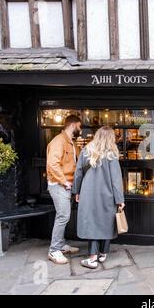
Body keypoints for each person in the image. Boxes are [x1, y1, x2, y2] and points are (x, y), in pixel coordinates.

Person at [72, 126, 125, 269]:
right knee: (107, 222)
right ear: (111, 138)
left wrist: (76, 191)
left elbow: (78, 173)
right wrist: (120, 199)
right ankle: (102, 253)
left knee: (93, 223)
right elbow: (116, 180)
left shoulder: (86, 151)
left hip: (88, 194)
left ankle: (92, 258)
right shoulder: (112, 155)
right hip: (107, 196)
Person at [46, 115, 82, 264]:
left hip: (67, 185)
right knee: (63, 216)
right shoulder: (58, 141)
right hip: (59, 185)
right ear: (73, 125)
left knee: (63, 216)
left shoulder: (71, 143)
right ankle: (54, 250)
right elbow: (52, 164)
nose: (80, 129)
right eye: (79, 126)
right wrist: (65, 181)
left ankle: (60, 245)